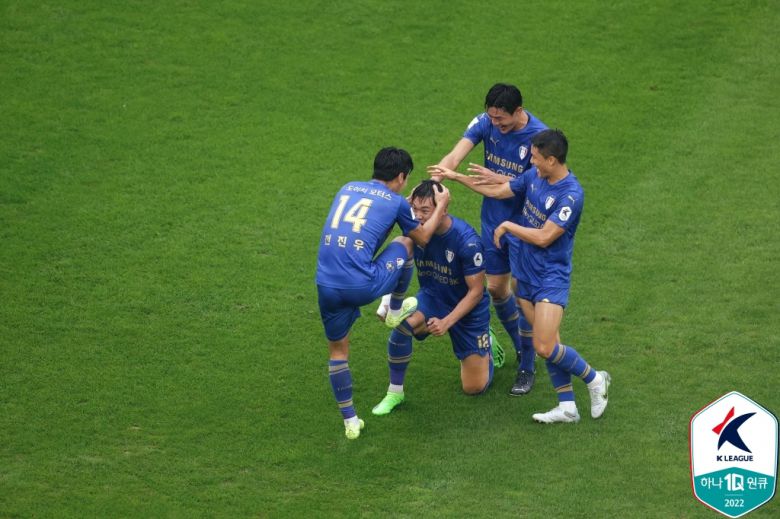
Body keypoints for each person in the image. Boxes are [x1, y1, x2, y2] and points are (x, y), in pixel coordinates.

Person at [428, 129, 611, 423]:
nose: (533, 164)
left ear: (552, 160)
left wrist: (509, 227)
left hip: (550, 276)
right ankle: (567, 406)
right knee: (551, 342)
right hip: (525, 272)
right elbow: (499, 190)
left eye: (537, 160)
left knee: (543, 346)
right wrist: (457, 177)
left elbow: (545, 236)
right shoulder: (536, 177)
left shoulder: (571, 195)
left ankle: (595, 379)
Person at [316, 147, 450, 439]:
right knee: (406, 241)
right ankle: (394, 308)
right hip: (361, 285)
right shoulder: (395, 202)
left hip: (325, 284)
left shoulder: (348, 187)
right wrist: (441, 204)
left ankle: (351, 422)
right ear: (402, 176)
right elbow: (424, 237)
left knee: (338, 353)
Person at [436, 83, 548, 396]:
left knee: (522, 292)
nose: (496, 125)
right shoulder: (486, 122)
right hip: (494, 222)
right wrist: (434, 181)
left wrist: (503, 179)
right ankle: (519, 346)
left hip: (526, 225)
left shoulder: (540, 138)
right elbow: (456, 155)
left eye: (502, 120)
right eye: (493, 118)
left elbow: (541, 188)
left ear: (519, 110)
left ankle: (527, 363)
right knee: (497, 289)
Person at [372, 180, 494, 416]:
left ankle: (488, 346)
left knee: (474, 387)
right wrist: (387, 301)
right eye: (414, 209)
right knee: (403, 328)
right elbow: (393, 252)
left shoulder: (466, 240)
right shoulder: (415, 233)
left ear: (443, 209)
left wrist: (447, 322)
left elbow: (477, 292)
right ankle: (395, 392)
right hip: (432, 298)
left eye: (425, 211)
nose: (418, 217)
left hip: (467, 311)